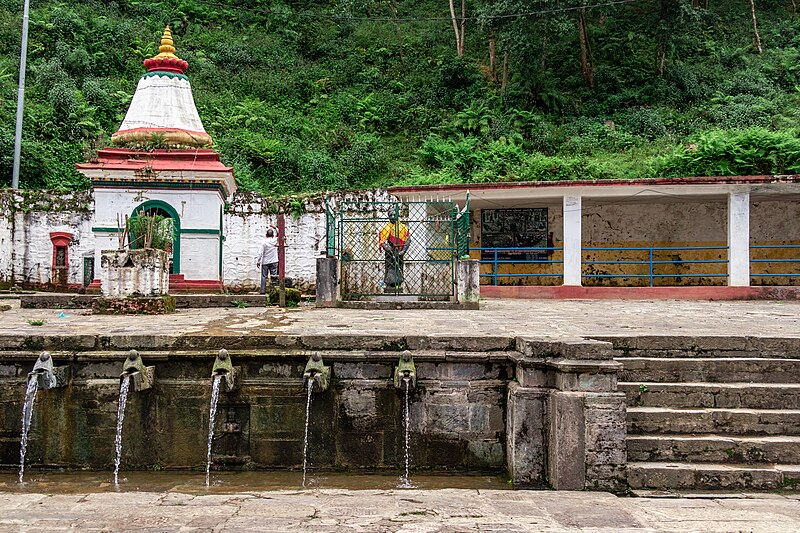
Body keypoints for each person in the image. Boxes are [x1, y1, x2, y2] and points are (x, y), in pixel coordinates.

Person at [378, 211, 410, 292]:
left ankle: (398, 283)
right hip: (389, 254)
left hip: (399, 252)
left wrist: (403, 251)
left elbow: (408, 240)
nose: (392, 216)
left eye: (394, 215)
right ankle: (389, 284)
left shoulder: (403, 227)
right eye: (390, 215)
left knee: (399, 268)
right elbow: (382, 241)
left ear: (397, 215)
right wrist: (386, 247)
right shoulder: (385, 228)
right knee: (389, 268)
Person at [257, 226, 279, 294]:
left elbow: (260, 253)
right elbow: (280, 233)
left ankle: (263, 291)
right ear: (273, 235)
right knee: (274, 277)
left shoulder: (263, 242)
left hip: (265, 262)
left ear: (266, 235)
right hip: (274, 261)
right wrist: (275, 228)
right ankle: (273, 292)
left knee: (264, 277)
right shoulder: (275, 240)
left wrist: (258, 261)